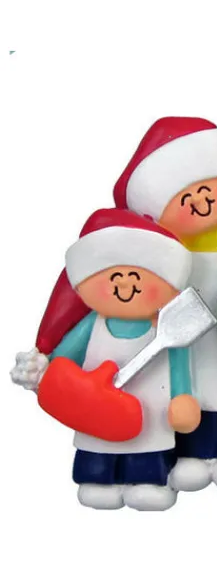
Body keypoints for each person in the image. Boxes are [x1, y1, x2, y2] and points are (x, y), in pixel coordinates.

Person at [11, 209, 199, 510]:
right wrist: (43, 372)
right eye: (114, 277)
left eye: (135, 277)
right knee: (97, 452)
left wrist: (182, 397)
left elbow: (179, 368)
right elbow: (63, 361)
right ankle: (98, 479)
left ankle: (148, 482)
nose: (124, 286)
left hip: (154, 413)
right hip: (93, 413)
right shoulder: (91, 326)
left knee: (148, 451)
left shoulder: (168, 329)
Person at [113, 117, 217, 491]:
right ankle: (195, 454)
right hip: (185, 327)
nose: (199, 202)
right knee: (198, 385)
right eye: (183, 199)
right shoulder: (167, 252)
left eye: (206, 188)